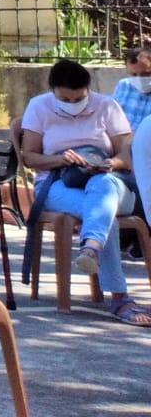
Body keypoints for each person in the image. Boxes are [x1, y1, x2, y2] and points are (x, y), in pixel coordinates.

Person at [19, 58, 146, 325]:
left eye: (79, 98)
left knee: (103, 191)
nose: (74, 104)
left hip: (110, 183)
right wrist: (61, 159)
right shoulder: (39, 106)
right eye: (66, 98)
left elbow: (127, 155)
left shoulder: (107, 107)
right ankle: (119, 296)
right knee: (101, 212)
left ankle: (90, 249)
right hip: (56, 184)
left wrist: (110, 163)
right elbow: (29, 157)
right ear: (53, 89)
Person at [110, 43, 151, 258]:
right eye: (134, 74)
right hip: (122, 154)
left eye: (146, 74)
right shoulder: (124, 86)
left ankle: (138, 238)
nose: (141, 80)